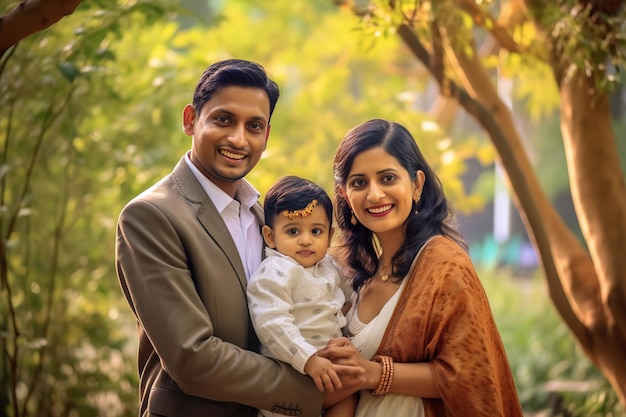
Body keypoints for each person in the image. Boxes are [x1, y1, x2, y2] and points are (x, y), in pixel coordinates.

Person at [115, 59, 362, 417]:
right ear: (190, 120)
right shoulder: (151, 217)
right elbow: (192, 358)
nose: (238, 138)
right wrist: (319, 388)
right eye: (223, 119)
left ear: (267, 136)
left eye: (254, 126)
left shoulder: (266, 218)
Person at [318, 118, 524, 416]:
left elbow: (470, 374)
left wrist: (375, 374)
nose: (375, 194)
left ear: (416, 185)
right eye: (359, 183)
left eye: (387, 178)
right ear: (345, 196)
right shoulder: (349, 275)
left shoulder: (444, 265)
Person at [247, 175, 357, 417]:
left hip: (328, 369)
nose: (305, 240)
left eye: (316, 231)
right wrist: (308, 360)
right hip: (291, 372)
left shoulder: (329, 266)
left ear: (329, 236)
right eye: (293, 231)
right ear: (271, 236)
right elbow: (272, 323)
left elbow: (353, 296)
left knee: (349, 398)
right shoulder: (275, 272)